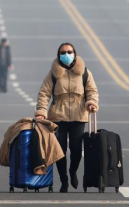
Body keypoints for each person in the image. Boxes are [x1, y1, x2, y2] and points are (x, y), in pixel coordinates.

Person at [34, 43, 99, 193]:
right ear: (59, 55)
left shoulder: (84, 73)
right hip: (58, 116)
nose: (66, 54)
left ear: (75, 54)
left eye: (69, 52)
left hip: (78, 116)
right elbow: (44, 93)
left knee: (76, 150)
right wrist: (41, 111)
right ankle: (64, 180)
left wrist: (91, 102)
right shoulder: (53, 74)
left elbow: (92, 90)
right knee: (60, 151)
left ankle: (73, 171)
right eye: (63, 52)